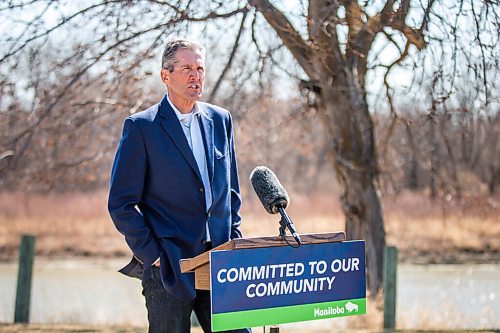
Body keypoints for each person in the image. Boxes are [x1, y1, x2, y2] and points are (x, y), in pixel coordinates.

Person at [108, 39, 250, 333]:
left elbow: (231, 192)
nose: (195, 75)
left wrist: (233, 238)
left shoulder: (221, 120)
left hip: (220, 262)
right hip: (170, 265)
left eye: (199, 68)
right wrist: (153, 255)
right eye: (186, 68)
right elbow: (121, 203)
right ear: (165, 76)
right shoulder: (142, 127)